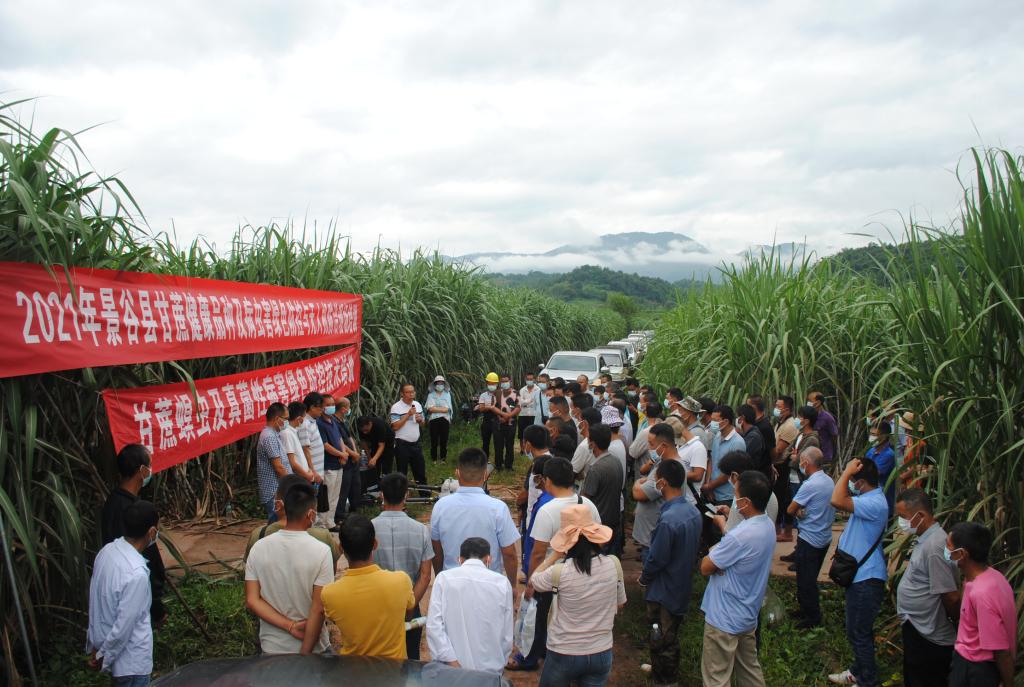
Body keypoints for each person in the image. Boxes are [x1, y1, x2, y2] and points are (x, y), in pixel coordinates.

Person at [513, 457, 601, 672]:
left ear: (548, 480)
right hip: (582, 571)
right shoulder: (587, 504)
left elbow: (538, 553)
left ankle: (531, 657)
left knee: (540, 616)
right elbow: (597, 538)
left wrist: (532, 581)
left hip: (552, 574)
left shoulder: (548, 510)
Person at [531, 505, 626, 687]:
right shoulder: (613, 565)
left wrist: (553, 557)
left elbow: (534, 581)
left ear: (567, 540)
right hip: (601, 651)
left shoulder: (560, 572)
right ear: (594, 536)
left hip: (564, 651)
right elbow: (620, 604)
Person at [699, 471, 775, 687]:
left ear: (746, 502)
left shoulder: (739, 536)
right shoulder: (767, 525)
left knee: (717, 677)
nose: (734, 500)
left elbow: (706, 567)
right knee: (749, 670)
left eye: (737, 496)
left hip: (724, 617)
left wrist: (717, 550)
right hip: (747, 613)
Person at [303, 514, 416, 658]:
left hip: (353, 668)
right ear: (375, 544)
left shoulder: (330, 593)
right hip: (394, 668)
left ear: (341, 548)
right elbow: (408, 613)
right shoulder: (401, 581)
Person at [245, 481, 333, 654]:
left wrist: (290, 625)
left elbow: (252, 600)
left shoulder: (259, 548)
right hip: (315, 650)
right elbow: (318, 609)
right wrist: (305, 653)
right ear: (311, 514)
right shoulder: (321, 551)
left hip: (272, 647)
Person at [640, 460, 702, 686]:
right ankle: (659, 668)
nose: (654, 483)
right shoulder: (692, 511)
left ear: (663, 483)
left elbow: (657, 558)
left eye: (656, 479)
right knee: (670, 632)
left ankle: (665, 679)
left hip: (663, 590)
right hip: (680, 584)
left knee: (662, 636)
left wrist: (644, 578)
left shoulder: (668, 520)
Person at [827, 458, 887, 687]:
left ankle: (867, 681)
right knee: (858, 630)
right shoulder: (868, 498)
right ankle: (857, 671)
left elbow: (836, 499)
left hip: (867, 579)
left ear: (860, 482)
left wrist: (846, 473)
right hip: (860, 577)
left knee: (859, 633)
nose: (850, 484)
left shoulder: (875, 503)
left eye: (853, 480)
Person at [87, 500, 159, 685]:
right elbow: (124, 626)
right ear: (151, 532)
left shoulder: (106, 552)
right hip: (132, 664)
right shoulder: (136, 573)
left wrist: (95, 645)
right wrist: (104, 655)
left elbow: (96, 602)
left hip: (113, 653)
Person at [893, 488, 959, 687]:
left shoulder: (935, 546)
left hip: (929, 635)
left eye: (903, 517)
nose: (901, 522)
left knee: (925, 679)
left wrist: (954, 619)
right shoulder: (926, 539)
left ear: (920, 515)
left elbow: (950, 596)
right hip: (918, 627)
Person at [430, 448, 520, 591]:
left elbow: (436, 550)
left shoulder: (441, 506)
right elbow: (509, 554)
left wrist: (441, 578)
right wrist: (512, 586)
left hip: (453, 585)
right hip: (490, 586)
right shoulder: (498, 508)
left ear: (457, 473)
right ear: (485, 475)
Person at [100, 444, 167, 629]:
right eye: (150, 465)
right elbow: (144, 557)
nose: (151, 470)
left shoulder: (113, 502)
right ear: (142, 470)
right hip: (134, 598)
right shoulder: (129, 511)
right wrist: (156, 605)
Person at [427, 537, 514, 673]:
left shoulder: (444, 579)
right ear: (489, 559)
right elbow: (507, 634)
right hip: (490, 671)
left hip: (451, 670)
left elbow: (434, 626)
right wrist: (499, 663)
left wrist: (451, 661)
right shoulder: (502, 583)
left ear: (460, 560)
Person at [946, 522, 1017, 687]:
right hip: (969, 662)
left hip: (975, 670)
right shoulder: (993, 576)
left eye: (948, 547)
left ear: (962, 554)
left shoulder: (982, 594)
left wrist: (1009, 683)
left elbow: (1001, 651)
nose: (946, 551)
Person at [372, 472, 434, 660]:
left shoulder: (369, 528)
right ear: (407, 495)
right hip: (410, 607)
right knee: (411, 660)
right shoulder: (421, 530)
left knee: (378, 661)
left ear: (381, 495)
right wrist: (410, 605)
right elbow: (425, 575)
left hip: (377, 607)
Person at [244, 474, 341, 569]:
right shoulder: (323, 537)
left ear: (278, 505)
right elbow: (330, 572)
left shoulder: (259, 535)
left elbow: (250, 570)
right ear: (310, 511)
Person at [786, 447, 835, 628]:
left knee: (805, 580)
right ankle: (805, 608)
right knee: (809, 577)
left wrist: (799, 511)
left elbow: (790, 509)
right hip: (824, 536)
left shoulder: (810, 485)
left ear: (806, 463)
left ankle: (812, 617)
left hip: (809, 538)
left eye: (801, 461)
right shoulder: (829, 481)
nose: (800, 464)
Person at [631, 423, 679, 555]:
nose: (649, 448)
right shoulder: (663, 463)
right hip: (651, 534)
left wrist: (637, 483)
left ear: (664, 446)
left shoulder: (668, 469)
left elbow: (639, 494)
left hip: (653, 537)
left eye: (651, 444)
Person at [711, 451, 779, 533]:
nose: (728, 480)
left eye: (727, 476)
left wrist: (720, 522)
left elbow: (730, 535)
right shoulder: (768, 491)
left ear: (735, 476)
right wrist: (730, 513)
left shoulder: (740, 500)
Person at [581, 425, 623, 555]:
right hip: (614, 521)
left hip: (598, 526)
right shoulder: (616, 461)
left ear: (593, 444)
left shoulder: (595, 469)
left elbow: (585, 500)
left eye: (588, 439)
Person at [316, 394, 349, 528]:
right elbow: (325, 445)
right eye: (327, 405)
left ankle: (330, 522)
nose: (331, 407)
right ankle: (322, 523)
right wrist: (341, 454)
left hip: (338, 464)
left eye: (332, 404)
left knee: (335, 495)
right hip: (328, 465)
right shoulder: (319, 423)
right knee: (327, 496)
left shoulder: (333, 421)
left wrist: (344, 453)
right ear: (321, 407)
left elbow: (339, 438)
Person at [702, 405, 746, 506]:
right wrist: (708, 483)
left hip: (726, 496)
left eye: (715, 420)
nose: (712, 423)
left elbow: (730, 473)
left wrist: (709, 487)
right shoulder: (717, 436)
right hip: (712, 492)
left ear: (726, 421)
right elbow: (712, 460)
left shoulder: (737, 443)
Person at [771, 395, 799, 542]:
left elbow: (778, 450)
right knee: (779, 498)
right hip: (777, 465)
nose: (776, 409)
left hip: (783, 466)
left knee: (782, 499)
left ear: (787, 409)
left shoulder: (790, 425)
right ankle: (779, 530)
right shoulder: (780, 423)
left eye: (779, 407)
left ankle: (783, 531)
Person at [256, 403, 290, 522]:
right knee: (277, 525)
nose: (287, 422)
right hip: (274, 492)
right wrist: (292, 483)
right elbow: (278, 467)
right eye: (286, 419)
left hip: (279, 490)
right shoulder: (269, 437)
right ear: (277, 419)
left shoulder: (274, 434)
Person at [332, 396, 362, 523]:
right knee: (344, 488)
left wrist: (355, 452)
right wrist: (351, 453)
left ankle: (354, 510)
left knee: (355, 486)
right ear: (343, 409)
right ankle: (339, 514)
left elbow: (349, 438)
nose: (349, 410)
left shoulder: (342, 421)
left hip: (353, 459)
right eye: (348, 407)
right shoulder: (333, 421)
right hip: (344, 460)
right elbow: (340, 442)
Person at [390, 383, 428, 487]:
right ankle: (401, 493)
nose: (411, 394)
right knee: (402, 473)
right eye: (408, 392)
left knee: (420, 471)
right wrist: (408, 415)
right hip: (402, 445)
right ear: (402, 394)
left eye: (413, 392)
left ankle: (424, 493)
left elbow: (423, 424)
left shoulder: (417, 404)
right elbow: (395, 427)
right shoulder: (396, 407)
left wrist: (421, 421)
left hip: (416, 444)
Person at [298, 392, 327, 522]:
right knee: (309, 503)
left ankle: (312, 524)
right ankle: (308, 526)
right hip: (311, 474)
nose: (322, 410)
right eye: (320, 408)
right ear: (311, 407)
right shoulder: (304, 423)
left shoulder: (313, 421)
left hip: (317, 472)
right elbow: (305, 449)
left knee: (314, 502)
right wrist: (313, 471)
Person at [866, 421, 896, 515]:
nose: (871, 437)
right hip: (870, 499)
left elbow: (873, 474)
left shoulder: (888, 455)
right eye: (871, 433)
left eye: (874, 434)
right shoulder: (871, 451)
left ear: (884, 436)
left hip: (883, 501)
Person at [357, 414, 395, 485]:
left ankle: (386, 483)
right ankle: (375, 484)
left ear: (370, 423)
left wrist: (374, 459)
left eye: (366, 430)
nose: (364, 432)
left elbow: (381, 445)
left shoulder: (379, 425)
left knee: (386, 464)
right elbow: (364, 442)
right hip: (374, 443)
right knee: (374, 465)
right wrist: (369, 458)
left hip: (387, 443)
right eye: (363, 431)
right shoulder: (361, 427)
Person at [281, 401, 315, 482]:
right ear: (299, 419)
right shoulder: (287, 433)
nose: (305, 420)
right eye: (304, 417)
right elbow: (292, 463)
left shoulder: (293, 431)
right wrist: (307, 475)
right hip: (298, 478)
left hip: (303, 477)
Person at [425, 375, 453, 462]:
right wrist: (442, 409)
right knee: (434, 440)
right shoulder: (431, 395)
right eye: (438, 383)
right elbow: (430, 409)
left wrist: (436, 409)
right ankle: (434, 458)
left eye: (441, 383)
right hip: (433, 419)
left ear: (444, 384)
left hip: (445, 419)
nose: (439, 385)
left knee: (444, 440)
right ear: (435, 384)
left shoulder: (447, 394)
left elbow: (447, 409)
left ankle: (443, 458)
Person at [806, 391, 839, 465]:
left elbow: (834, 436)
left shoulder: (827, 418)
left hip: (823, 456)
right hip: (809, 455)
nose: (808, 403)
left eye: (810, 401)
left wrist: (833, 453)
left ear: (818, 403)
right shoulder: (808, 416)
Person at [476, 372, 503, 460]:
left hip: (498, 420)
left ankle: (498, 462)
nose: (491, 385)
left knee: (498, 442)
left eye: (493, 383)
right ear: (487, 383)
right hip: (486, 421)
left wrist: (488, 406)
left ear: (497, 384)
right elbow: (481, 408)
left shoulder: (501, 394)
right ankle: (485, 460)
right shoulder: (483, 395)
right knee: (485, 442)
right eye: (490, 383)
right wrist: (489, 407)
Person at [735, 404, 768, 476]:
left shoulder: (753, 437)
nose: (736, 420)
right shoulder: (747, 434)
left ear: (742, 418)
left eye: (737, 417)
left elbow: (740, 455)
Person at [518, 372, 541, 452]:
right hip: (523, 414)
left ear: (534, 379)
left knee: (533, 432)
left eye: (531, 379)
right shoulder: (522, 390)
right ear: (525, 379)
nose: (529, 381)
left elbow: (537, 402)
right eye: (528, 379)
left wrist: (526, 402)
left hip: (534, 414)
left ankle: (531, 449)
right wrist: (530, 400)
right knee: (522, 433)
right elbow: (520, 402)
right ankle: (522, 449)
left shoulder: (538, 389)